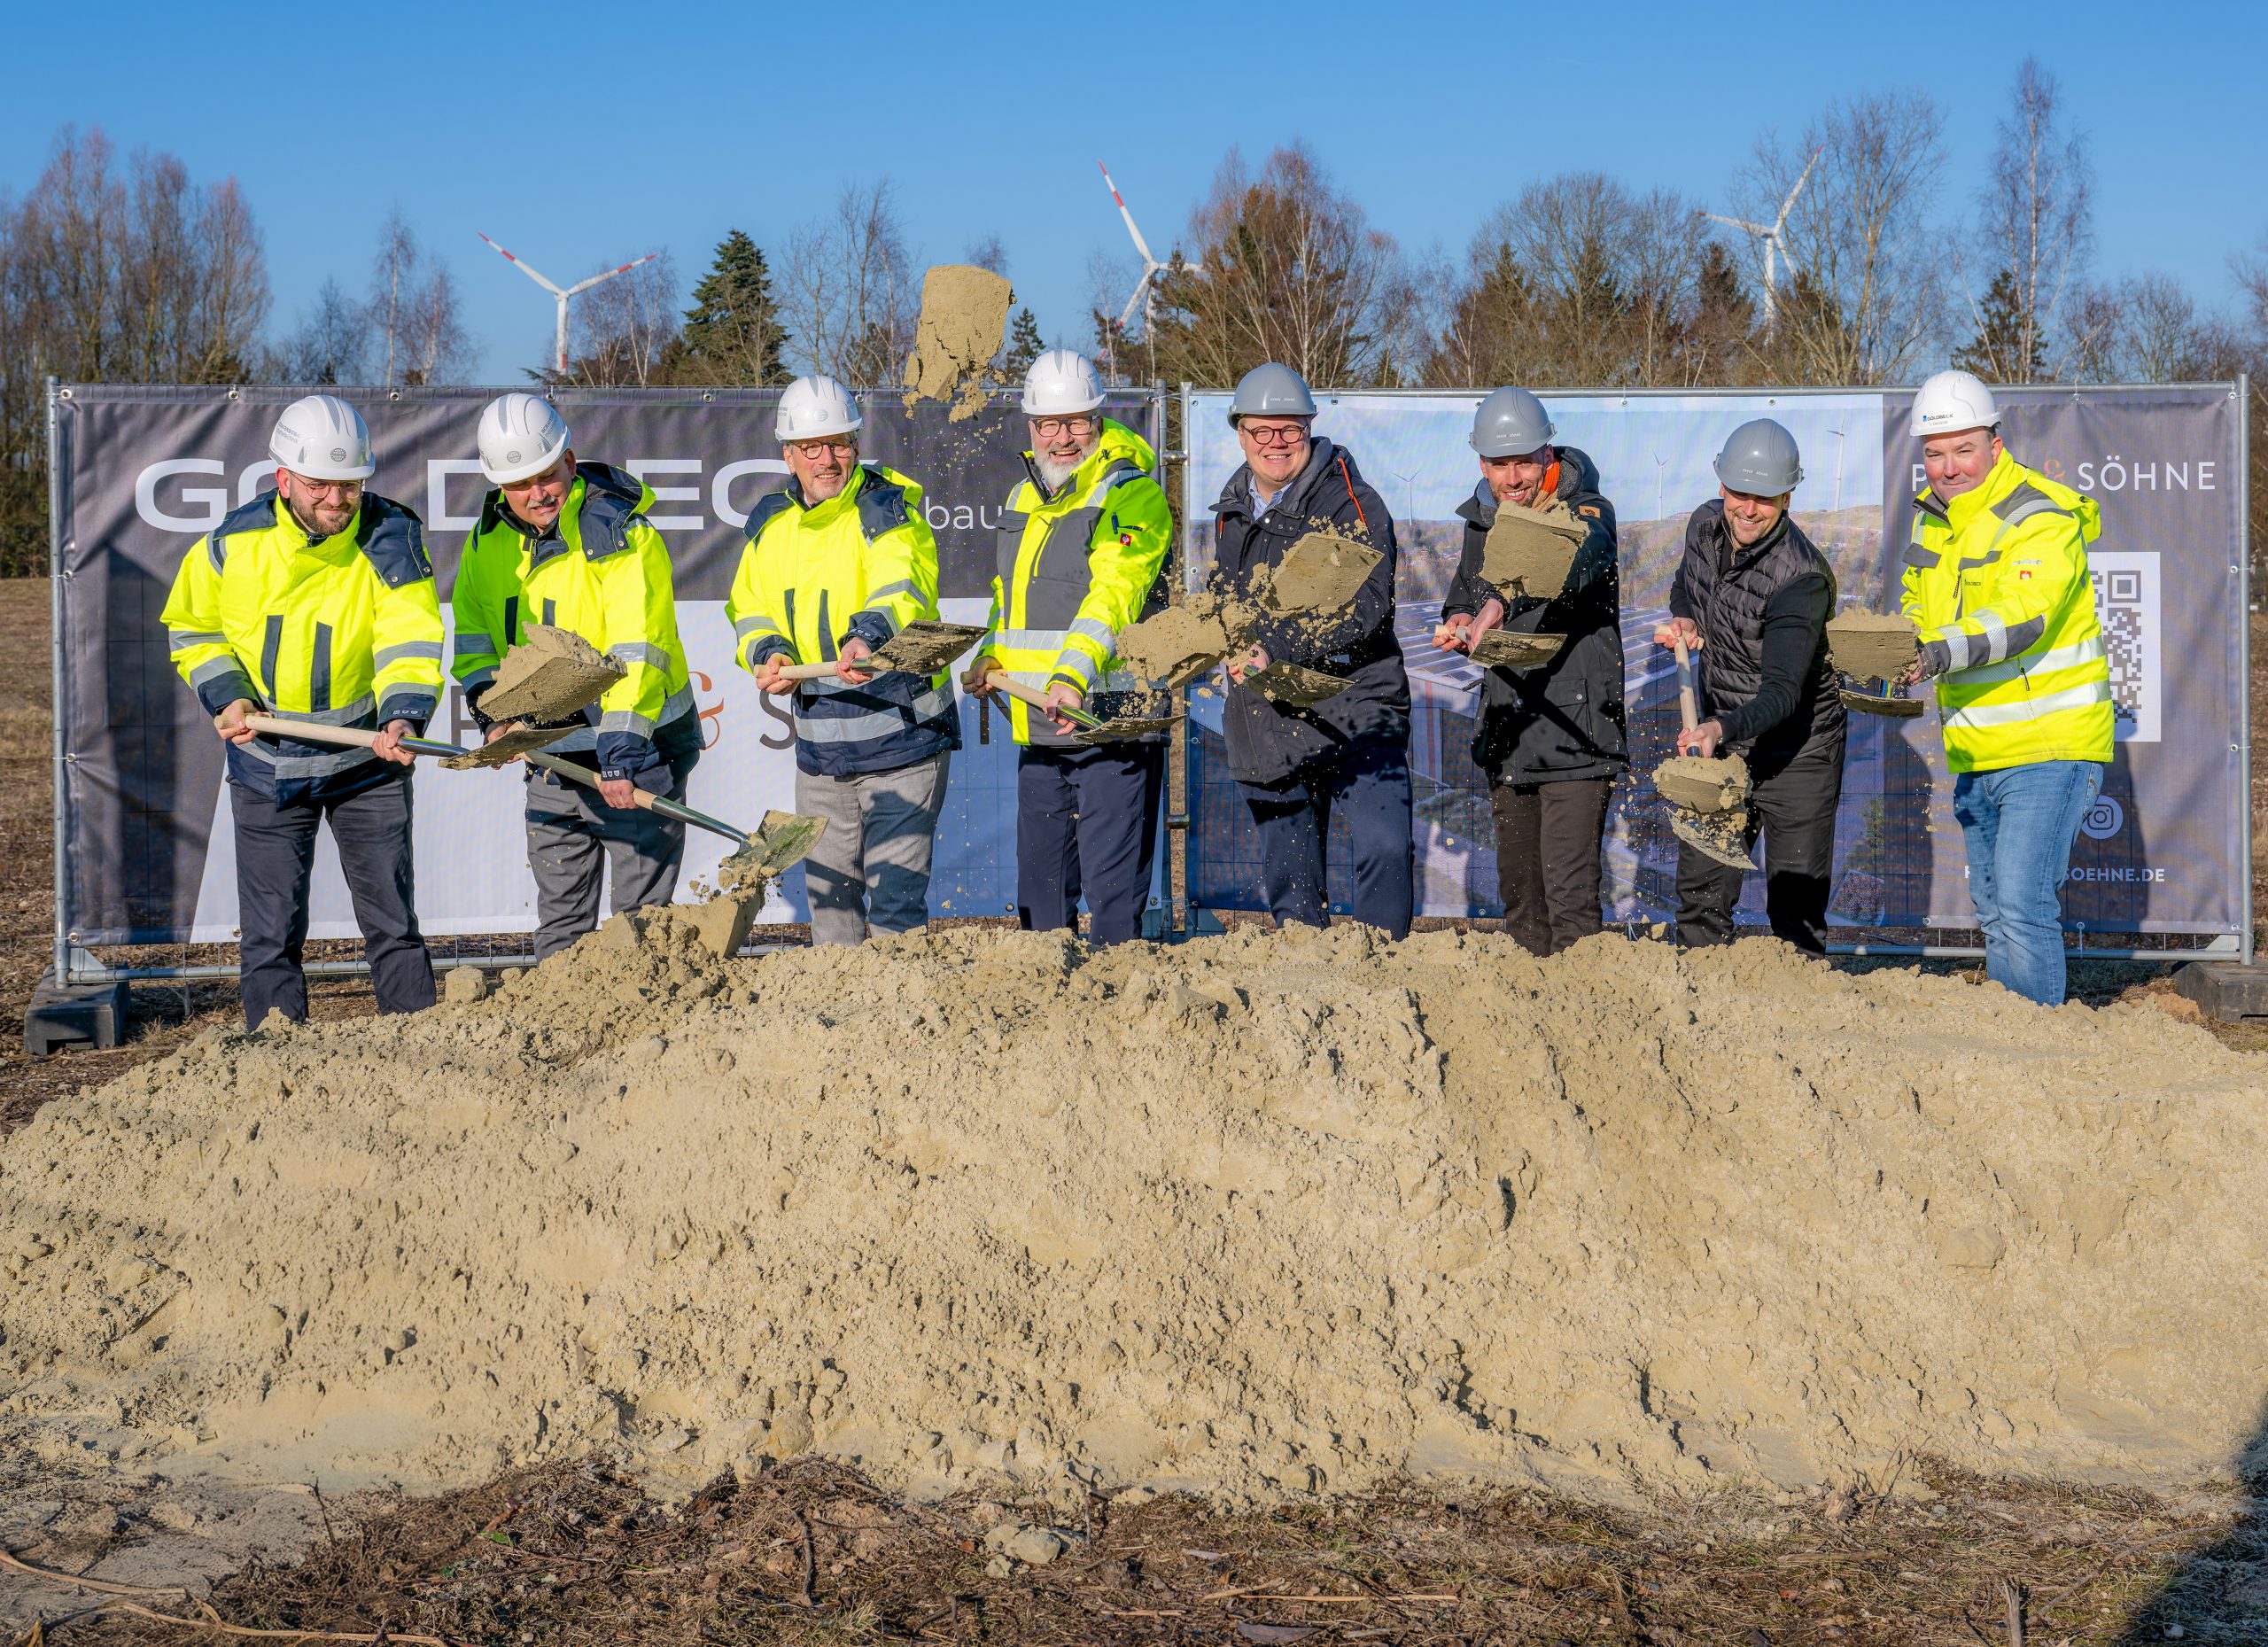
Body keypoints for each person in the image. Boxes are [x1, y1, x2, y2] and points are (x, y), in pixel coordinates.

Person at [160, 394, 441, 1028]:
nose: (338, 501)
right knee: (269, 936)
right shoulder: (234, 545)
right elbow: (193, 628)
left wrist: (403, 716)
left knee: (393, 926)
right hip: (266, 766)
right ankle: (276, 1073)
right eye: (320, 485)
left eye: (350, 485)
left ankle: (426, 1058)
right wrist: (226, 692)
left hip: (366, 762)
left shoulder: (391, 538)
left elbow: (410, 641)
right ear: (283, 478)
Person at [451, 394, 701, 960]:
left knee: (640, 934)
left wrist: (621, 753)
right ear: (499, 485)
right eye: (520, 484)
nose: (537, 494)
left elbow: (641, 650)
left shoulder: (620, 534)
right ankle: (562, 1041)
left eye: (546, 476)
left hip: (639, 753)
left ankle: (647, 1042)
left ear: (569, 460)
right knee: (561, 926)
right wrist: (495, 713)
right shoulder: (486, 541)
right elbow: (474, 638)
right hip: (552, 757)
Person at [1899, 369, 2112, 1006]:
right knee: (1993, 910)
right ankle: (2011, 1052)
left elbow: (2022, 615)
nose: (1949, 466)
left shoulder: (2040, 515)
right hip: (1978, 750)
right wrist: (1891, 651)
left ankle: (2042, 1054)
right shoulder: (1933, 524)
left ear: (1995, 444)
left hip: (2048, 748)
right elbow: (1917, 610)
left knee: (2021, 904)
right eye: (1935, 453)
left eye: (1963, 449)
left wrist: (1933, 652)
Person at [727, 375, 959, 945]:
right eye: (812, 447)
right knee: (830, 907)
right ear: (789, 454)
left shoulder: (886, 506)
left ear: (856, 444)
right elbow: (749, 606)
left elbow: (900, 585)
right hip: (821, 753)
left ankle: (899, 1031)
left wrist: (868, 636)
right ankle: (842, 1034)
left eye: (839, 444)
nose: (827, 459)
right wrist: (768, 650)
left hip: (902, 741)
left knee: (896, 909)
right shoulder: (770, 522)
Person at [966, 350, 1171, 944]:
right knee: (1041, 901)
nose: (1062, 437)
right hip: (1041, 726)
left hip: (1110, 721)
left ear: (1100, 421)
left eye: (1077, 421)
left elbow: (1115, 594)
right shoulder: (1021, 498)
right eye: (1049, 424)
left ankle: (1121, 1023)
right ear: (1030, 427)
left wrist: (1073, 675)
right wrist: (991, 653)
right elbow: (1009, 596)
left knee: (1113, 905)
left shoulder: (1133, 495)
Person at [1210, 363, 1413, 939]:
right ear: (1240, 433)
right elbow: (1225, 602)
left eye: (1289, 430)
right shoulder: (1231, 512)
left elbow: (1365, 601)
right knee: (1293, 885)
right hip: (1273, 720)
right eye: (1261, 431)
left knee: (1383, 851)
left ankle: (1387, 980)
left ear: (1309, 428)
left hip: (1356, 709)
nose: (1275, 443)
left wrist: (1275, 645)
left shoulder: (1351, 501)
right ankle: (1307, 993)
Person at [1435, 387, 1626, 955]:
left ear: (1548, 453)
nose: (1514, 477)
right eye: (1500, 464)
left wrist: (1497, 605)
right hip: (1509, 732)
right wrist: (1462, 618)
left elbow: (1573, 561)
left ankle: (1589, 1033)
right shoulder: (1482, 522)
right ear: (1482, 464)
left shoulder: (1589, 511)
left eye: (1525, 461)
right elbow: (1464, 595)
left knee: (1570, 905)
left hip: (1576, 732)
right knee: (1521, 904)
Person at [1656, 418, 1845, 952]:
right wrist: (1686, 617)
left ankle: (1797, 1024)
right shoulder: (1704, 526)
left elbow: (1783, 694)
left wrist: (1718, 726)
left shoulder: (1800, 579)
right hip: (1723, 737)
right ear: (1721, 486)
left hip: (1797, 752)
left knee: (1795, 909)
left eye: (1764, 498)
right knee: (1702, 894)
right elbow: (1685, 586)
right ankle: (1703, 1009)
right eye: (1739, 492)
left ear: (1787, 496)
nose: (1747, 508)